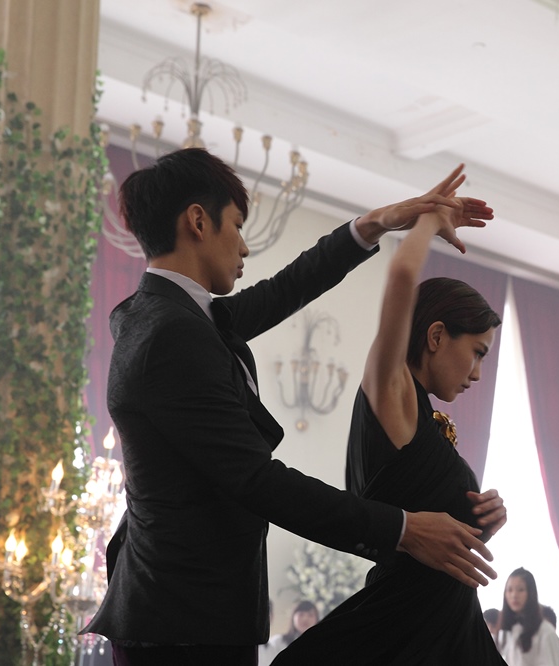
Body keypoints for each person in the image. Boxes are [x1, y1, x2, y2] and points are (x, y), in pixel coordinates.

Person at [80, 148, 505, 665]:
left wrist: (379, 222)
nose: (244, 245)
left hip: (196, 611)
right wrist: (403, 529)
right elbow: (257, 481)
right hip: (181, 618)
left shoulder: (188, 320)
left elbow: (288, 287)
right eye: (237, 226)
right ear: (198, 221)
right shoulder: (170, 333)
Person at [272, 186, 507, 664]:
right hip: (408, 633)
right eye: (477, 353)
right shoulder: (394, 394)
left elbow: (434, 541)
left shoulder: (424, 421)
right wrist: (430, 221)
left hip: (446, 631)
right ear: (437, 335)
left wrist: (483, 521)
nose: (479, 373)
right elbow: (401, 274)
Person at [498, 568, 559, 666]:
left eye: (520, 590)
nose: (514, 595)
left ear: (531, 593)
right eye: (509, 590)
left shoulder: (545, 631)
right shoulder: (508, 630)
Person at [258, 600, 318, 665]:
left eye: (310, 615)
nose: (305, 619)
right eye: (301, 614)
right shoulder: (278, 642)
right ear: (293, 617)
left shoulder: (320, 644)